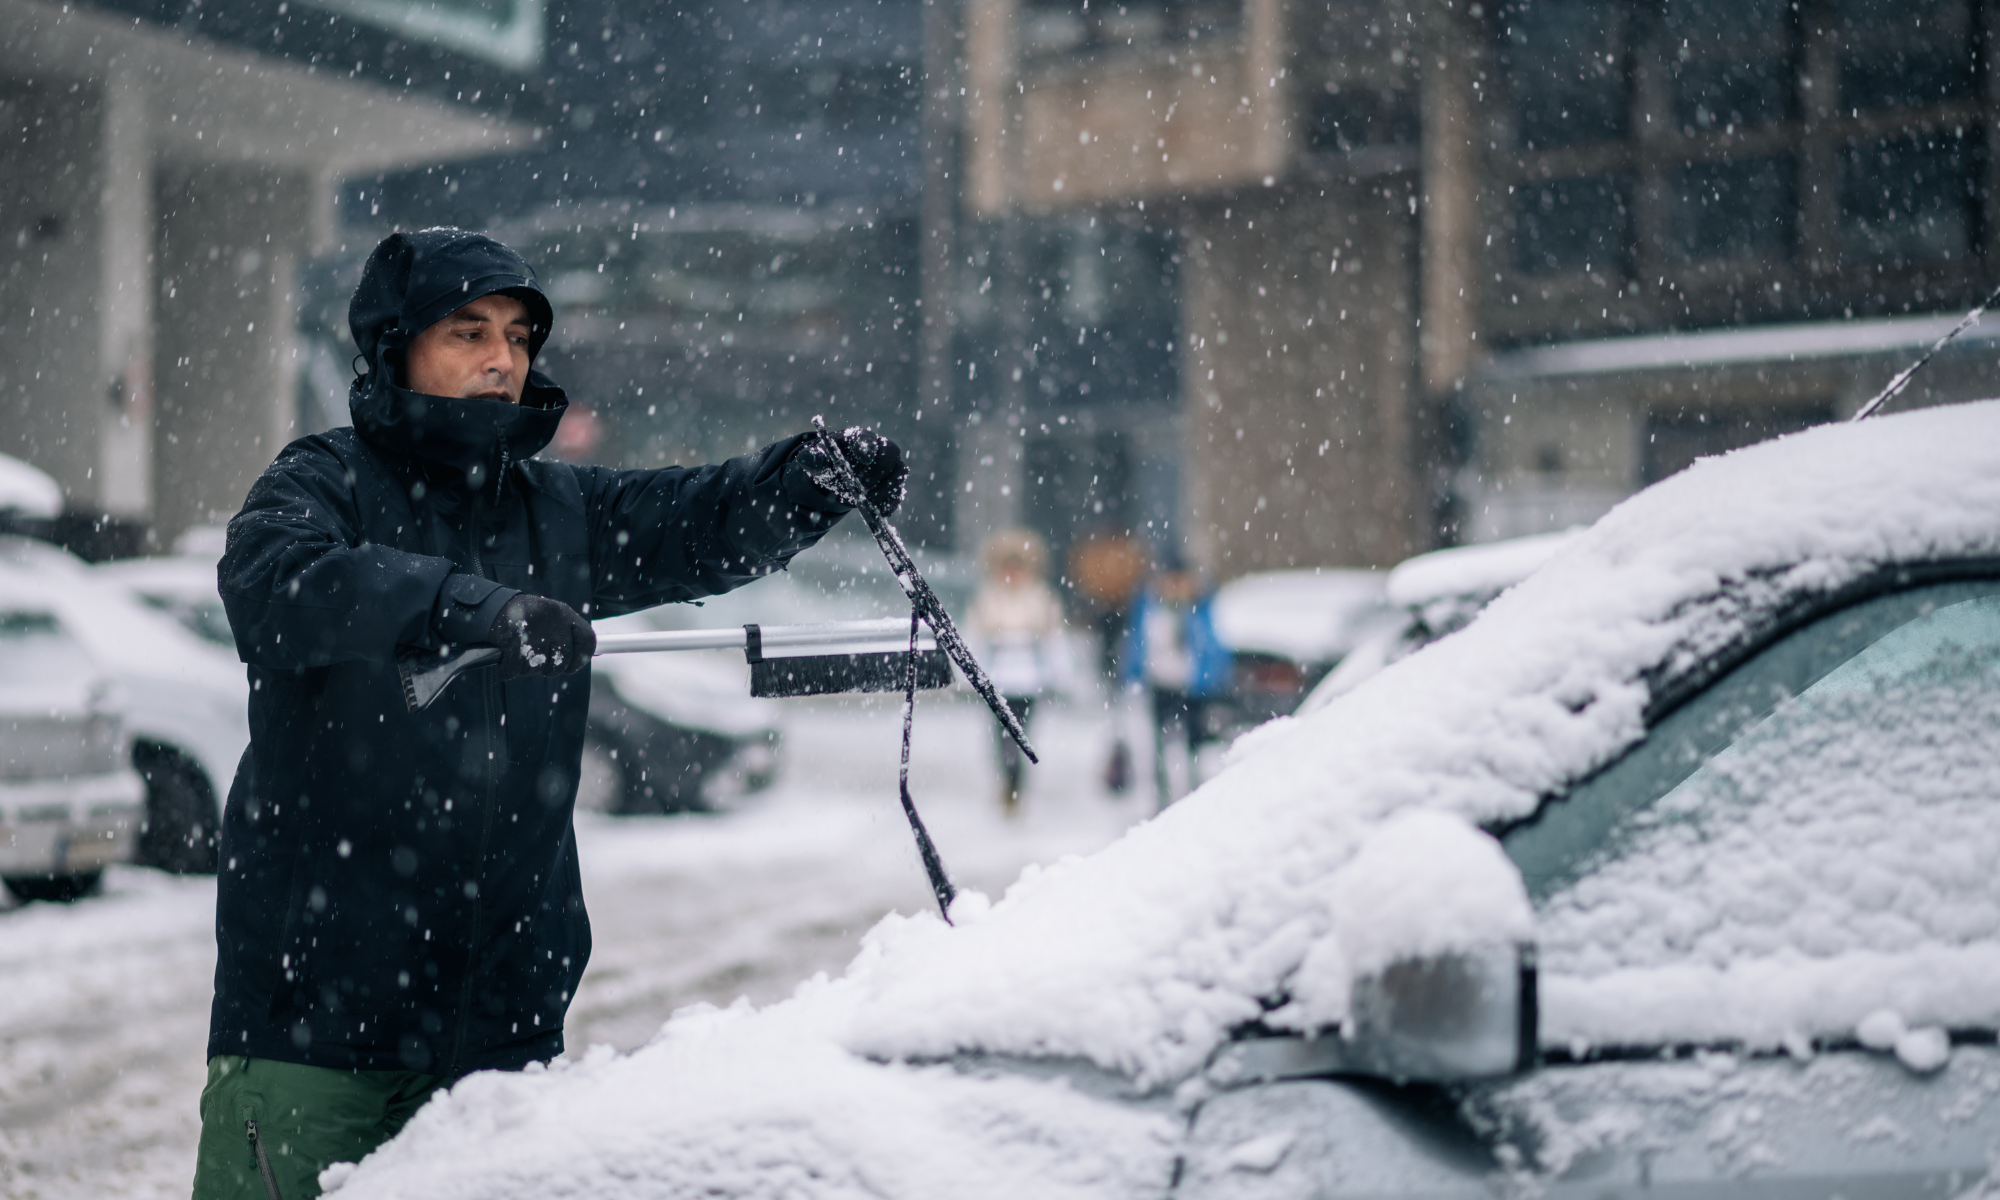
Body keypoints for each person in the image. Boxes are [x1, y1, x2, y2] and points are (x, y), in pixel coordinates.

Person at [194, 229, 906, 1199]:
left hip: (502, 1026)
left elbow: (689, 515)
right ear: (395, 344)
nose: (503, 358)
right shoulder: (321, 482)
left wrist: (804, 482)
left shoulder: (549, 509)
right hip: (314, 1023)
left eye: (520, 336)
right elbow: (281, 584)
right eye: (469, 332)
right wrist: (465, 609)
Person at [965, 529, 1068, 815]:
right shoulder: (988, 598)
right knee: (1000, 737)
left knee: (1021, 735)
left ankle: (1016, 785)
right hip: (998, 680)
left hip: (1029, 679)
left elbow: (1053, 639)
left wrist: (1058, 673)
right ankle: (1007, 782)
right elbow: (974, 638)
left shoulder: (1041, 598)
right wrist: (970, 675)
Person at [1121, 559, 1229, 808]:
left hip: (1192, 686)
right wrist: (1131, 674)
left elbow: (1213, 646)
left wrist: (1216, 677)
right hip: (1160, 683)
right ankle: (1163, 794)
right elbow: (1137, 644)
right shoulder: (1150, 608)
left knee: (1194, 743)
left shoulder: (1200, 609)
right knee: (1159, 742)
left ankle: (1193, 790)